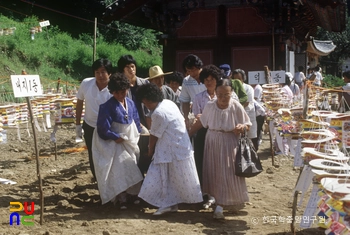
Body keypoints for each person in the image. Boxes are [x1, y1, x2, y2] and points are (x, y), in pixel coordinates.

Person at [189, 78, 252, 219]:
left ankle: (221, 204)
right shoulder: (210, 106)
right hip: (212, 141)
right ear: (216, 92)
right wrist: (189, 134)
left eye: (226, 95)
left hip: (230, 142)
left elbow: (248, 124)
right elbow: (202, 122)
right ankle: (217, 201)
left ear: (232, 93)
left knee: (227, 172)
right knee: (214, 172)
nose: (223, 98)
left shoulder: (236, 106)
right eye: (220, 94)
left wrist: (242, 127)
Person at [136, 83, 203, 215]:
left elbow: (154, 135)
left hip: (171, 149)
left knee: (161, 176)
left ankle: (167, 203)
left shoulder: (158, 113)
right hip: (178, 146)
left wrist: (150, 151)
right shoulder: (168, 102)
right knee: (169, 177)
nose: (146, 105)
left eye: (146, 103)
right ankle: (169, 203)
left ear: (148, 100)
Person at [92, 72, 143, 208]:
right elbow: (103, 129)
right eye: (117, 93)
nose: (121, 95)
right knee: (121, 169)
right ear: (112, 92)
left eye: (123, 92)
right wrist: (115, 137)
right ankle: (120, 198)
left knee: (132, 164)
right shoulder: (107, 106)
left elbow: (136, 120)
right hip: (114, 143)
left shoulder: (131, 103)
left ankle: (133, 194)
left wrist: (138, 132)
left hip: (130, 140)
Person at [75, 58, 113, 181]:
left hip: (108, 128)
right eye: (97, 72)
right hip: (90, 126)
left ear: (109, 73)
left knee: (108, 155)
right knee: (93, 154)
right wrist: (77, 124)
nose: (100, 75)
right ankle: (98, 180)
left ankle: (109, 181)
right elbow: (80, 102)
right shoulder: (86, 83)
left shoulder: (114, 88)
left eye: (103, 72)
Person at [117, 55, 150, 129]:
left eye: (132, 66)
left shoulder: (145, 83)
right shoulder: (120, 86)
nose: (131, 69)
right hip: (129, 123)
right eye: (127, 67)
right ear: (122, 70)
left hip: (145, 120)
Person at [179, 54, 207, 129]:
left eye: (193, 70)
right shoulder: (186, 81)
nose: (191, 73)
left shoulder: (208, 77)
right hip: (197, 116)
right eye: (188, 71)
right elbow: (185, 100)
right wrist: (186, 117)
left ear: (199, 67)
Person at [232, 69, 257, 143]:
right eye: (235, 79)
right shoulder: (231, 88)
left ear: (243, 79)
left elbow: (246, 102)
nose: (237, 81)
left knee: (248, 139)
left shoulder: (248, 88)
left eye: (239, 79)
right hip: (235, 117)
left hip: (247, 114)